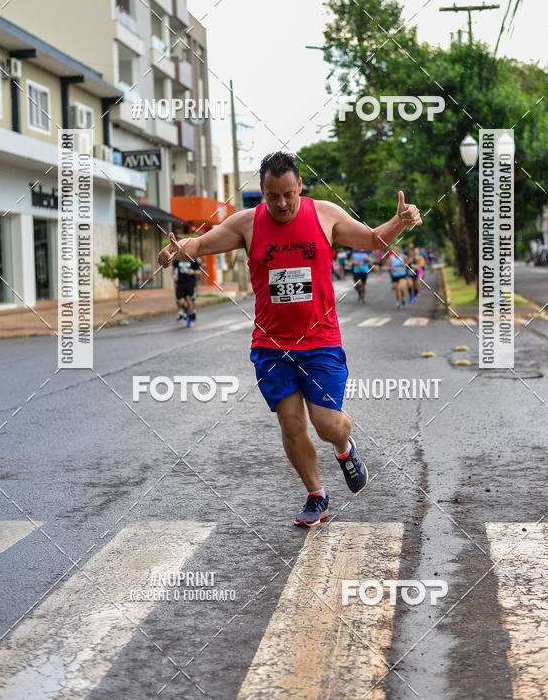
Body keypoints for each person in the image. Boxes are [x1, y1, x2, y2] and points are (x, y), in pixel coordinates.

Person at [158, 151, 422, 527]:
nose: (281, 203)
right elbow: (199, 245)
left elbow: (373, 240)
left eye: (288, 194)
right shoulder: (247, 223)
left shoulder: (325, 215)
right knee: (292, 423)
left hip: (320, 340)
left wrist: (399, 221)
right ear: (263, 191)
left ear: (300, 186)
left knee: (328, 425)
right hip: (271, 346)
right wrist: (176, 250)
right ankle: (317, 495)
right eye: (272, 195)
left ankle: (345, 451)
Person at [173, 254, 202, 327]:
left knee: (189, 300)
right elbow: (173, 268)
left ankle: (189, 320)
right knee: (181, 302)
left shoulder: (193, 259)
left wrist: (193, 272)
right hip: (180, 283)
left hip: (190, 283)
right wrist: (174, 275)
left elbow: (200, 272)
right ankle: (186, 312)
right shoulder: (178, 258)